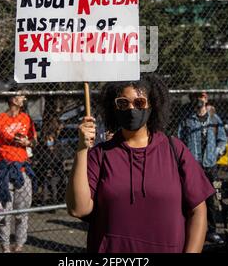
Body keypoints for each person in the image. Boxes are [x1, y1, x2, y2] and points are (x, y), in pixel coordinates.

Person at [66, 75, 215, 253]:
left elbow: (198, 211)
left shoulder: (174, 149)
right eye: (123, 103)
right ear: (114, 108)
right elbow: (78, 209)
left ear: (152, 104)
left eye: (139, 102)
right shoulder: (100, 154)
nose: (131, 109)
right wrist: (82, 149)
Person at [0, 94, 37, 253]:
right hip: (4, 172)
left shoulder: (27, 118)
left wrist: (27, 142)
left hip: (23, 170)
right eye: (21, 96)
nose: (24, 98)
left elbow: (35, 141)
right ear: (13, 99)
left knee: (22, 213)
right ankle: (5, 248)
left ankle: (19, 246)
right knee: (5, 215)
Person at [178, 91, 227, 244]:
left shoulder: (214, 119)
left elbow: (222, 139)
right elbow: (180, 139)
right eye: (196, 97)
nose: (199, 100)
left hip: (210, 166)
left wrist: (215, 153)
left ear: (206, 99)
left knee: (213, 198)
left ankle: (212, 231)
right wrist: (186, 158)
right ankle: (192, 229)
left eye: (202, 97)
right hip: (194, 166)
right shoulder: (187, 121)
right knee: (192, 197)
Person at [35, 133, 62, 206]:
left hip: (55, 171)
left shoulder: (57, 149)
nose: (48, 141)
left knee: (53, 186)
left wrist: (52, 151)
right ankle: (44, 202)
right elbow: (42, 160)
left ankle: (54, 201)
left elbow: (58, 160)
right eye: (47, 140)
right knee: (45, 186)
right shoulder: (43, 149)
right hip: (45, 171)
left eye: (50, 140)